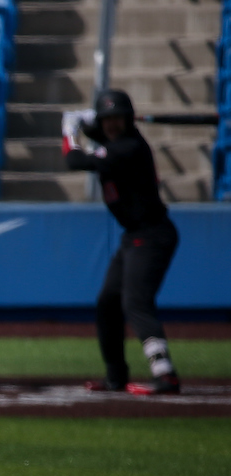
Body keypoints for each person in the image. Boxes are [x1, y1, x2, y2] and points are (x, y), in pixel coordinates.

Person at [65, 89, 181, 395]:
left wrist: (69, 131)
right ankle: (116, 375)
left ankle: (164, 373)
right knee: (108, 304)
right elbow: (99, 135)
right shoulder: (114, 142)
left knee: (135, 302)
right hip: (134, 236)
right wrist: (87, 121)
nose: (112, 125)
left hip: (152, 234)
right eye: (108, 120)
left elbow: (75, 161)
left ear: (128, 119)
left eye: (118, 118)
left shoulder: (128, 148)